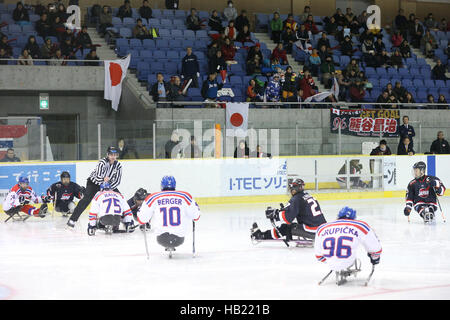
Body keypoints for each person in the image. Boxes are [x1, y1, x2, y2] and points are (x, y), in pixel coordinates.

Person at [314, 207, 382, 285]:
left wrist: (331, 261)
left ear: (338, 216)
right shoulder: (360, 225)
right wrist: (375, 259)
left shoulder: (322, 228)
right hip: (348, 261)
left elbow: (318, 255)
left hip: (330, 263)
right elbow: (376, 248)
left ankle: (335, 265)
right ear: (354, 218)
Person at [136, 176, 201, 255]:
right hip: (179, 237)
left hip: (161, 237)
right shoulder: (185, 196)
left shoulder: (153, 197)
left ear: (161, 185)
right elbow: (196, 216)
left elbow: (142, 219)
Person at [251, 179, 327, 243]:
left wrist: (275, 215)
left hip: (313, 230)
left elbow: (287, 218)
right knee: (291, 226)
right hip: (323, 229)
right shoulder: (308, 196)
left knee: (286, 227)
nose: (292, 190)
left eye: (293, 187)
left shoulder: (296, 198)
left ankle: (261, 235)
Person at [67, 146, 123, 228]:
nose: (113, 157)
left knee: (119, 198)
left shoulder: (118, 165)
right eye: (111, 154)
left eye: (115, 155)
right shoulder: (102, 162)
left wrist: (108, 188)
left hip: (109, 185)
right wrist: (104, 181)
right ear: (108, 155)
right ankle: (72, 220)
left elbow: (117, 181)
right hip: (94, 183)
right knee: (86, 200)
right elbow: (97, 177)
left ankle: (125, 221)